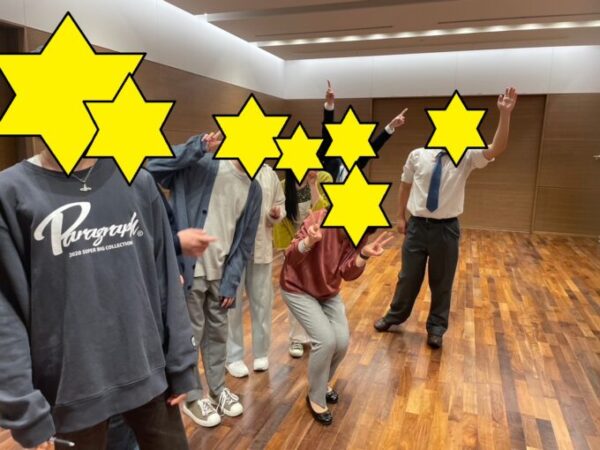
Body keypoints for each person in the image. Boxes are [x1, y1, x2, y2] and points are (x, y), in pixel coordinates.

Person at [0, 141, 199, 450]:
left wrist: (181, 364)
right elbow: (5, 311)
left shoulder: (138, 181)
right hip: (70, 393)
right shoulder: (10, 191)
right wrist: (23, 406)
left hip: (150, 376)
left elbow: (166, 279)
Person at [374, 87, 519, 348]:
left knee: (442, 282)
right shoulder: (418, 155)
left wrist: (505, 114)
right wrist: (400, 216)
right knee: (408, 277)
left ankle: (436, 328)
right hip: (417, 227)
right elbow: (405, 185)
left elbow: (497, 148)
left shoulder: (466, 155)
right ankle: (395, 316)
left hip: (446, 229)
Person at [147, 132, 261, 428]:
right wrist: (196, 147)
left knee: (218, 335)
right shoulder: (203, 163)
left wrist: (232, 281)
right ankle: (193, 397)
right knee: (189, 336)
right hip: (190, 269)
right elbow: (151, 165)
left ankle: (218, 389)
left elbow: (245, 241)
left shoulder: (254, 187)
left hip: (221, 274)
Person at [280, 209, 393, 425]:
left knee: (341, 342)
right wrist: (308, 242)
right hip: (297, 287)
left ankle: (321, 384)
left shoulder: (359, 230)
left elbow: (346, 273)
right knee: (325, 340)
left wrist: (363, 255)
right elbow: (290, 257)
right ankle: (316, 397)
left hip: (327, 291)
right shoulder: (319, 219)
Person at [226, 163, 286, 377]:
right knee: (231, 305)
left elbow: (280, 204)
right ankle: (232, 356)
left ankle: (261, 353)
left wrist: (276, 213)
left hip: (260, 249)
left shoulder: (269, 174)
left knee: (262, 303)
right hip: (233, 250)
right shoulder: (229, 167)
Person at [274, 169, 332, 358]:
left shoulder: (324, 178)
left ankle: (319, 335)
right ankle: (297, 339)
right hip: (296, 245)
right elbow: (280, 223)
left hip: (320, 243)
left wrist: (313, 185)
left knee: (319, 290)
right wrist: (288, 249)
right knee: (296, 292)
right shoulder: (283, 186)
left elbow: (324, 212)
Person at [317, 80, 407, 182]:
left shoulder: (357, 161)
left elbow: (375, 146)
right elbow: (327, 133)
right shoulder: (330, 156)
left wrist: (391, 126)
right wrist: (329, 105)